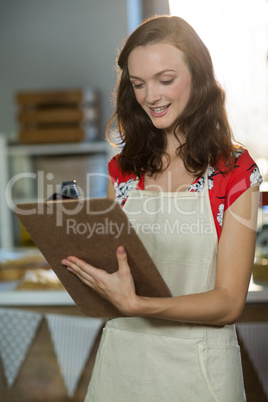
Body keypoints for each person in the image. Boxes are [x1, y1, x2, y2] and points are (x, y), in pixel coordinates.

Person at [61, 15, 262, 401]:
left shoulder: (233, 173)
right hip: (122, 366)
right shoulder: (125, 171)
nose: (150, 96)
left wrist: (139, 304)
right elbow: (119, 266)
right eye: (138, 84)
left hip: (200, 374)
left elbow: (229, 302)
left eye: (165, 80)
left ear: (198, 77)